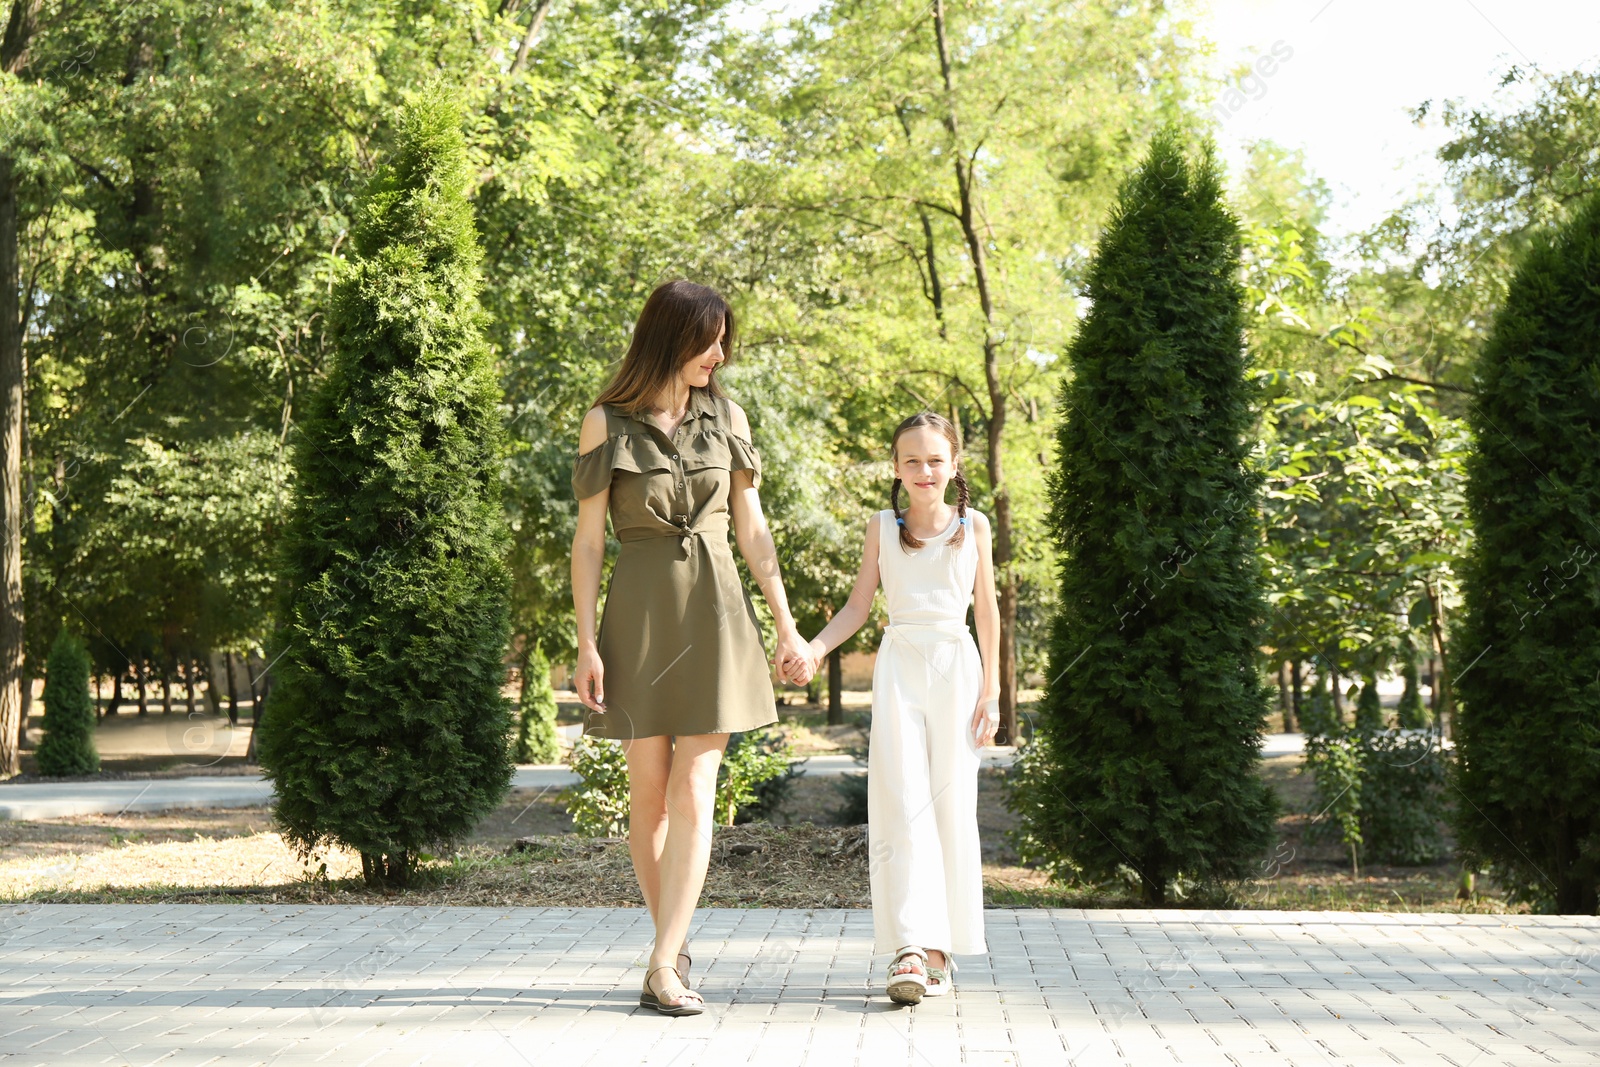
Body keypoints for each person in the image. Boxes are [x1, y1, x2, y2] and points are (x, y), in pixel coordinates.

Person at [571, 280, 811, 1016]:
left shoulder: (728, 414)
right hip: (639, 615)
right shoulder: (603, 422)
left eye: (723, 340)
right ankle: (669, 947)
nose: (719, 353)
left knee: (693, 785)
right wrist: (585, 642)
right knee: (648, 796)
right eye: (708, 339)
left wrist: (787, 622)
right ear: (669, 337)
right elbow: (586, 544)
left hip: (716, 611)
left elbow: (752, 529)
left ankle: (661, 963)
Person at [782, 411, 1000, 1005]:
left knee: (952, 808)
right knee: (902, 805)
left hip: (958, 668)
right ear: (896, 470)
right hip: (900, 665)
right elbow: (857, 607)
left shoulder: (973, 526)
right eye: (912, 461)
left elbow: (987, 614)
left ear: (954, 465)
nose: (924, 470)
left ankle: (939, 951)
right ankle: (907, 946)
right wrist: (814, 648)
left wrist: (994, 692)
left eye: (935, 459)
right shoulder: (882, 527)